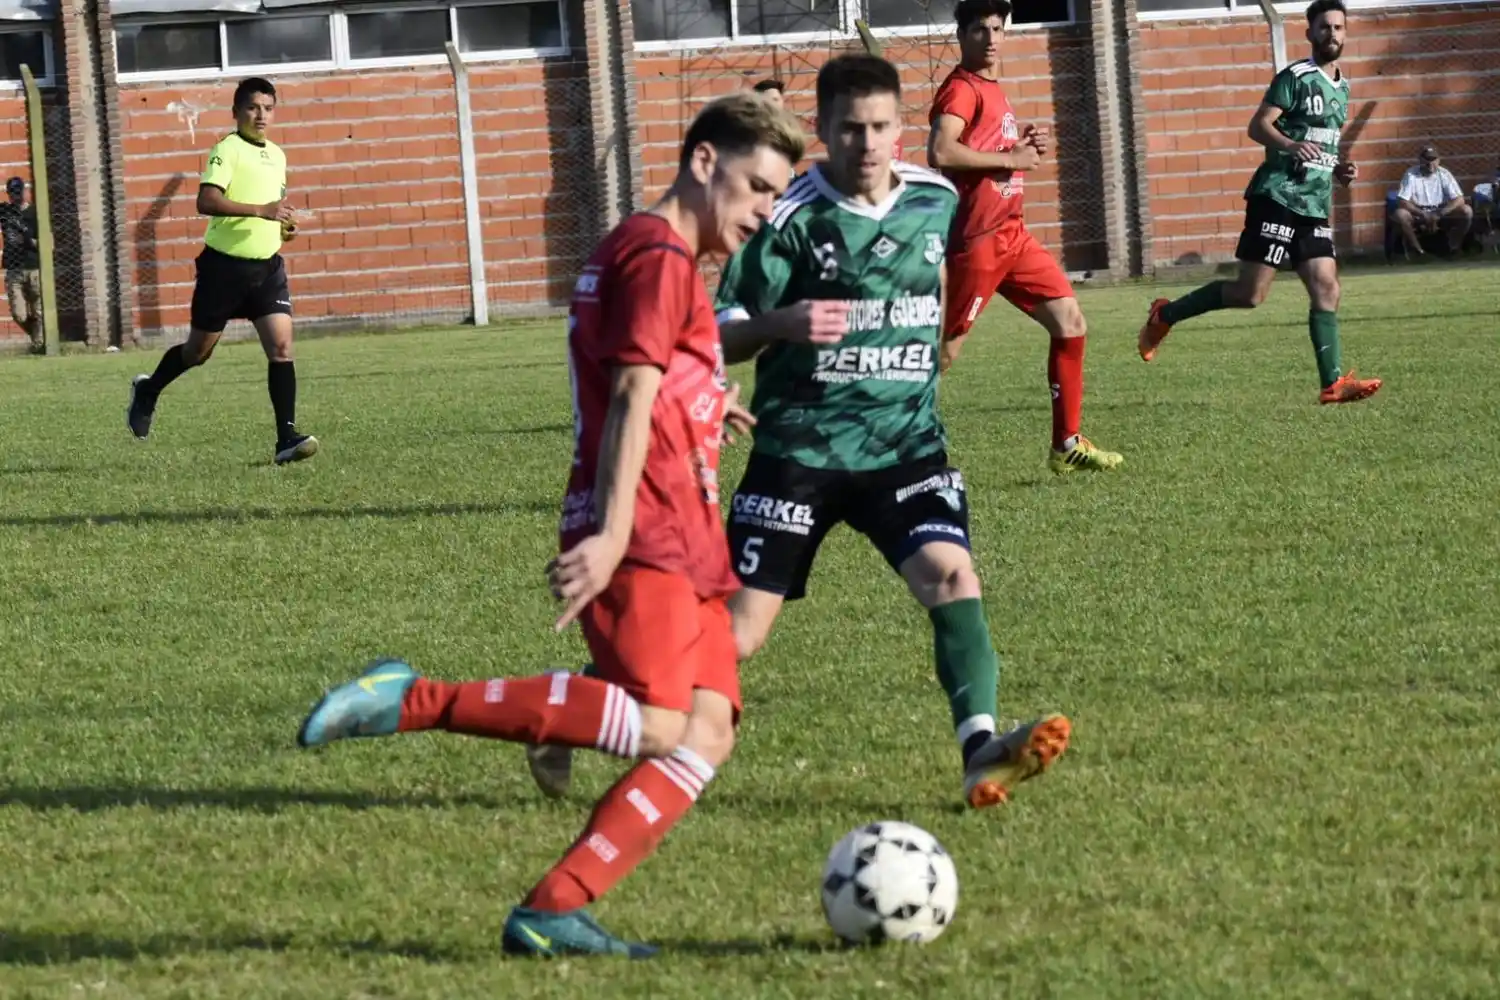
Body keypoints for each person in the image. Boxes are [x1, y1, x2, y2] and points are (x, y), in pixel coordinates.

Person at [294, 92, 804, 958]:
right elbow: (633, 389)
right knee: (657, 727)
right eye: (757, 189)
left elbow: (648, 378)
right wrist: (607, 537)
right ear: (705, 163)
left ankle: (555, 908)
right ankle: (409, 701)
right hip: (643, 527)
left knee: (707, 731)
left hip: (686, 528)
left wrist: (710, 400)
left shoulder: (646, 252)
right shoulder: (660, 257)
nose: (765, 213)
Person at [527, 54, 1071, 813]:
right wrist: (783, 327)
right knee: (736, 637)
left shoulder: (934, 199)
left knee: (952, 576)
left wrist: (939, 348)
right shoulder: (782, 215)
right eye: (851, 128)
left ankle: (979, 747)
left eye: (882, 126)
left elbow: (935, 287)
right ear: (822, 128)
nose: (869, 143)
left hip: (904, 448)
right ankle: (576, 706)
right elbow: (714, 331)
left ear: (899, 126)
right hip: (798, 455)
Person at [1139, 0, 1381, 406]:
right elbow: (1258, 125)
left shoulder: (1343, 86)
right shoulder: (1294, 77)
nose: (1332, 34)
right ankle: (1164, 315)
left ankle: (1332, 384)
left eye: (1338, 27)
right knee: (1249, 295)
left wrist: (1338, 170)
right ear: (1310, 33)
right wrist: (1289, 145)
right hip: (1278, 196)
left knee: (1327, 287)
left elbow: (1322, 144)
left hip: (1314, 203)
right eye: (1324, 27)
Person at [927, 0, 1122, 475]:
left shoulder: (993, 89)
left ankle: (1067, 443)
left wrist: (1015, 148)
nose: (991, 38)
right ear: (962, 35)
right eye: (980, 30)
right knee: (942, 354)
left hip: (1012, 236)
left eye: (997, 28)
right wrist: (1012, 160)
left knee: (1070, 322)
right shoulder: (961, 89)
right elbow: (940, 150)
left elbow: (986, 150)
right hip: (978, 242)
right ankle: (872, 436)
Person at [126, 77, 317, 464]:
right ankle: (149, 389)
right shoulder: (226, 150)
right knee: (197, 352)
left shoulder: (277, 155)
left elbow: (274, 207)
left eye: (268, 107)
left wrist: (283, 227)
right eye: (252, 107)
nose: (260, 115)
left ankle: (286, 439)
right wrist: (261, 210)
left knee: (281, 348)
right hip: (223, 269)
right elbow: (207, 199)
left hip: (267, 269)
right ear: (236, 112)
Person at [1390, 145, 1471, 258]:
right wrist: (1423, 214)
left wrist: (1440, 213)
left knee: (1466, 211)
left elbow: (1459, 199)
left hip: (1441, 212)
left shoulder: (1444, 173)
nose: (1430, 163)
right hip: (1418, 212)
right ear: (1420, 160)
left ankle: (1454, 248)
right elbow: (1402, 201)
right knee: (1400, 214)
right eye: (1427, 159)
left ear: (1438, 160)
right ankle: (1419, 252)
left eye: (1433, 159)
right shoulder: (1411, 174)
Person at [1, 176, 42, 352]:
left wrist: (27, 238)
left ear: (24, 191)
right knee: (19, 313)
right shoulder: (5, 211)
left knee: (38, 311)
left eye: (18, 192)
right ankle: (35, 335)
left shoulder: (34, 213)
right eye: (12, 193)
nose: (15, 197)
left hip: (33, 267)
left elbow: (45, 243)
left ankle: (39, 346)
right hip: (14, 268)